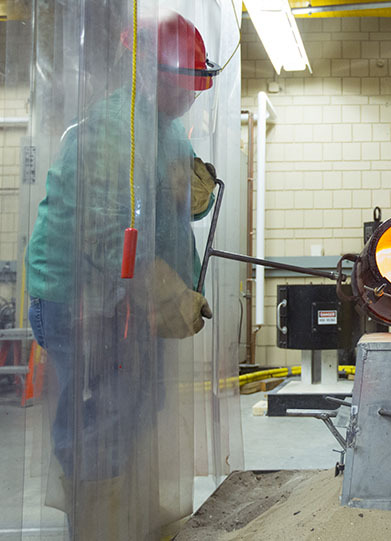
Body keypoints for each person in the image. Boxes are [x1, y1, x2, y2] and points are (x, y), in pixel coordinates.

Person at [26, 12, 219, 539]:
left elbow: (172, 213)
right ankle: (100, 524)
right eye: (185, 84)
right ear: (150, 74)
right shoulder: (115, 131)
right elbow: (109, 237)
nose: (192, 97)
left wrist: (192, 195)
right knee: (100, 417)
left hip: (123, 297)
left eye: (197, 86)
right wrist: (169, 292)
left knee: (138, 400)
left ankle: (127, 510)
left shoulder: (166, 129)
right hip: (76, 298)